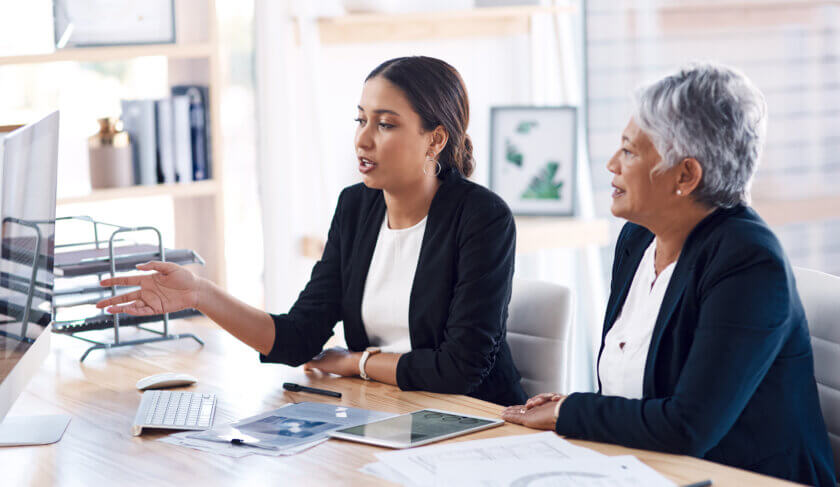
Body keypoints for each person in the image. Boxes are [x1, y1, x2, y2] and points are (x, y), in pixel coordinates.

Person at [96, 56, 528, 407]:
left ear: (435, 140)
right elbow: (298, 338)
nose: (362, 140)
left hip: (476, 420)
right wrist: (200, 294)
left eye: (385, 124)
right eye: (360, 119)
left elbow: (460, 370)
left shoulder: (482, 218)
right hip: (387, 409)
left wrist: (357, 363)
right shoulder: (355, 208)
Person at [501, 63, 836, 485]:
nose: (611, 164)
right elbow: (641, 393)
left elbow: (688, 427)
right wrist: (575, 408)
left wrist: (571, 411)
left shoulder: (749, 262)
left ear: (686, 175)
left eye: (629, 152)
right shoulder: (638, 238)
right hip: (651, 469)